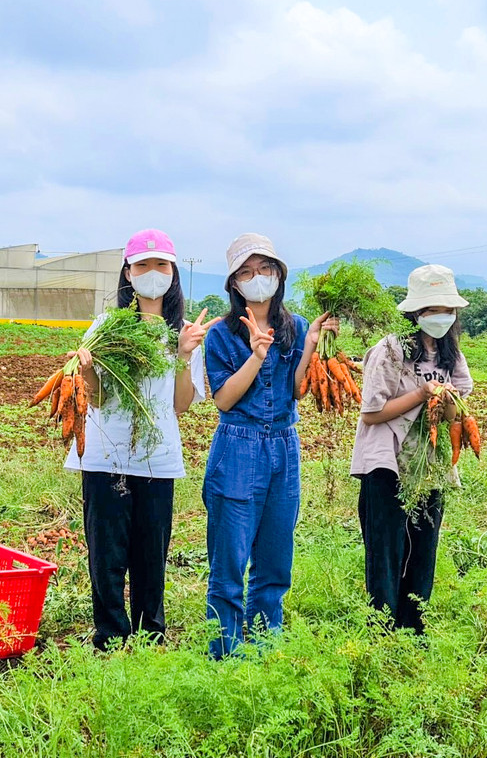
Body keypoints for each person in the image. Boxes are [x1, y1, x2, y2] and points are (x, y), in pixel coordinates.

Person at [65, 229, 216, 650]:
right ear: (127, 274)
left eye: (161, 265)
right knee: (107, 555)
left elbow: (181, 404)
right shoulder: (106, 328)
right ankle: (110, 638)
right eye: (143, 265)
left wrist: (184, 355)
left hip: (157, 459)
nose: (153, 273)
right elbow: (93, 396)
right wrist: (89, 368)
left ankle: (151, 637)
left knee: (151, 554)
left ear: (173, 273)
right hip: (103, 456)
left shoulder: (185, 332)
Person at [201, 233, 335, 658]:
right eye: (246, 272)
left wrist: (310, 344)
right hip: (239, 444)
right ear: (234, 284)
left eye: (265, 269)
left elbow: (295, 391)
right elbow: (223, 399)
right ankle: (225, 652)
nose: (257, 278)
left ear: (279, 275)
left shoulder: (293, 326)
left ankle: (264, 646)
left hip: (284, 444)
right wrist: (256, 355)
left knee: (276, 556)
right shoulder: (221, 335)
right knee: (230, 559)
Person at [349, 264, 472, 635]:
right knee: (386, 553)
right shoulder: (390, 349)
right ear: (415, 312)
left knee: (423, 551)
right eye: (433, 310)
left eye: (447, 310)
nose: (441, 317)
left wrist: (447, 402)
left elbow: (455, 413)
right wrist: (421, 394)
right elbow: (371, 413)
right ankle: (381, 632)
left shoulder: (451, 353)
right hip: (386, 463)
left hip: (428, 465)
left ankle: (413, 632)